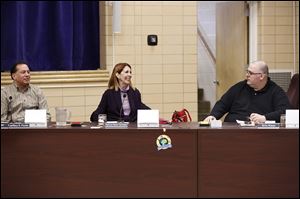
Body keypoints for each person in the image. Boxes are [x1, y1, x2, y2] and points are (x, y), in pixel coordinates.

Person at [204, 60, 291, 124]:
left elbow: (285, 111)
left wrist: (265, 118)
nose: (247, 75)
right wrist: (212, 116)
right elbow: (223, 104)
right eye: (247, 72)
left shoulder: (275, 91)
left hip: (259, 134)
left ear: (261, 76)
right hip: (232, 130)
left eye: (250, 73)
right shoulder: (240, 87)